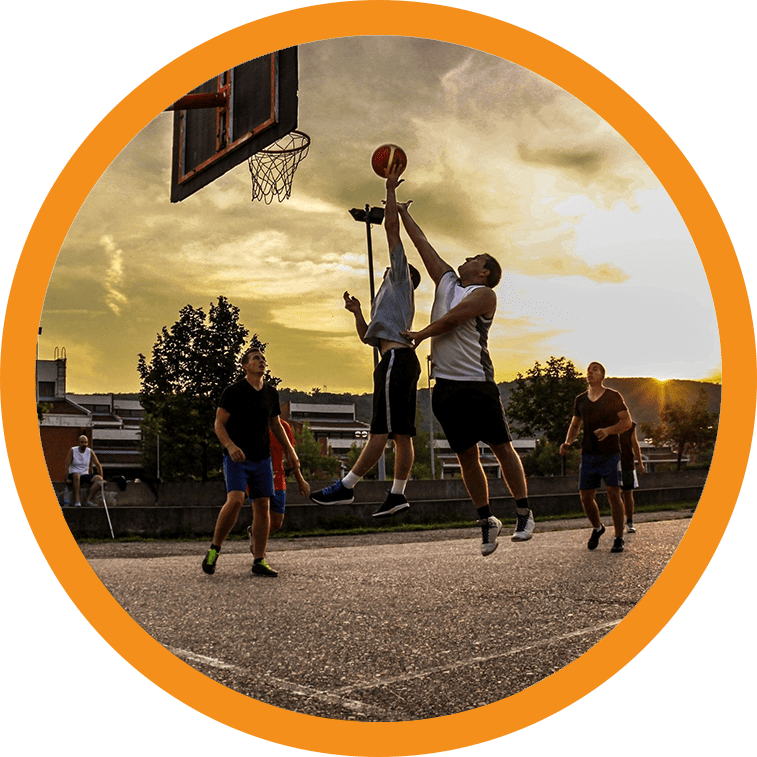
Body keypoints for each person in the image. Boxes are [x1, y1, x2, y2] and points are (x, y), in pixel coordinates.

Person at [398, 202, 534, 556]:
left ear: (485, 272)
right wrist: (401, 210)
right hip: (445, 388)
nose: (467, 258)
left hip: (477, 385)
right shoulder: (446, 280)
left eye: (475, 257)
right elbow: (422, 243)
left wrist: (420, 334)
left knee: (501, 447)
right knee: (466, 456)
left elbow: (453, 320)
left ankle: (523, 512)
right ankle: (487, 520)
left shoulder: (484, 295)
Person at [310, 163, 422, 518]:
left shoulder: (401, 280)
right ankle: (397, 495)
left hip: (395, 362)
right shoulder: (384, 303)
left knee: (380, 431)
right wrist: (358, 312)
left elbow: (392, 232)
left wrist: (390, 192)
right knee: (401, 435)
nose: (389, 266)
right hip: (394, 360)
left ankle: (346, 487)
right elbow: (366, 339)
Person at [202, 347, 301, 578]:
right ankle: (214, 550)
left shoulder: (270, 393)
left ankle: (259, 560)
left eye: (263, 358)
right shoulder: (233, 391)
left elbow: (276, 425)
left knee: (262, 507)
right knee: (236, 500)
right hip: (238, 458)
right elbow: (218, 424)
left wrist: (290, 452)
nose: (261, 361)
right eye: (256, 358)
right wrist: (230, 446)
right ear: (245, 365)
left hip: (261, 458)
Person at [559, 362, 632, 553]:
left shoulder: (613, 396)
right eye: (588, 371)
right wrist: (568, 442)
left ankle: (618, 537)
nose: (590, 373)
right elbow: (575, 425)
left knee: (613, 493)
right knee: (585, 497)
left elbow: (626, 422)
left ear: (602, 376)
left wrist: (608, 431)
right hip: (589, 454)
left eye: (595, 370)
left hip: (610, 454)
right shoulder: (580, 400)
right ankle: (598, 528)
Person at [247, 420, 310, 548]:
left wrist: (300, 480)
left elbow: (290, 456)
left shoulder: (284, 427)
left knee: (276, 522)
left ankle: (254, 532)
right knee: (261, 512)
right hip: (256, 477)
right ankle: (259, 554)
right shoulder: (252, 425)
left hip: (277, 478)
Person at [64, 435, 105, 507]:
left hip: (85, 474)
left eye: (85, 442)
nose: (84, 444)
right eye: (82, 442)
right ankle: (77, 501)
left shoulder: (90, 451)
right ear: (78, 443)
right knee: (77, 475)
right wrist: (66, 478)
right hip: (74, 474)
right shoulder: (73, 450)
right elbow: (67, 464)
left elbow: (98, 465)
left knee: (99, 479)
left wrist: (102, 477)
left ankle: (88, 500)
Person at [619, 420, 645, 533]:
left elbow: (635, 443)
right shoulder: (607, 422)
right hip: (612, 461)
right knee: (615, 494)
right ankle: (619, 523)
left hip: (627, 462)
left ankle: (629, 522)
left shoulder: (630, 424)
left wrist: (640, 462)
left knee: (627, 493)